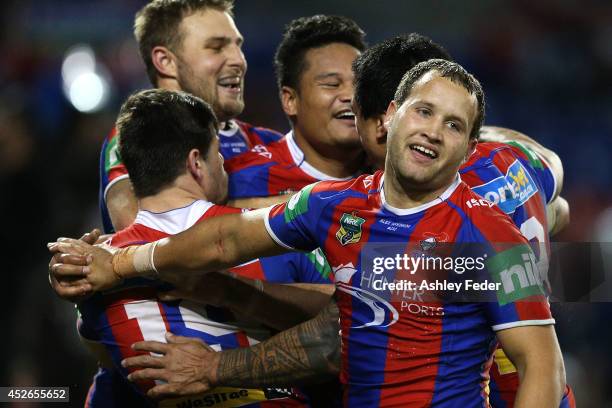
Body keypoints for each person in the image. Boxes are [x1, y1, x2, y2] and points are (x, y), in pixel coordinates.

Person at [50, 59, 566, 407]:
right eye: (424, 111)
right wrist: (119, 263)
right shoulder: (336, 205)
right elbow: (227, 241)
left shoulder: (486, 238)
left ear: (469, 146)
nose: (433, 130)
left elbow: (542, 366)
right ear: (391, 116)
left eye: (454, 126)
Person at [81, 88, 336, 407]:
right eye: (218, 153)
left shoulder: (91, 272)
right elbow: (348, 320)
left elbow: (104, 355)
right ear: (196, 163)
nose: (224, 164)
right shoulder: (269, 237)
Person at [101, 0, 282, 234]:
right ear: (165, 61)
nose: (239, 61)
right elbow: (143, 231)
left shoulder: (270, 143)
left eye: (238, 46)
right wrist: (288, 210)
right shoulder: (134, 137)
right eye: (217, 48)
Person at [225, 15, 367, 203]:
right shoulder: (245, 182)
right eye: (332, 84)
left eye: (360, 85)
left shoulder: (395, 171)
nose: (351, 96)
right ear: (290, 100)